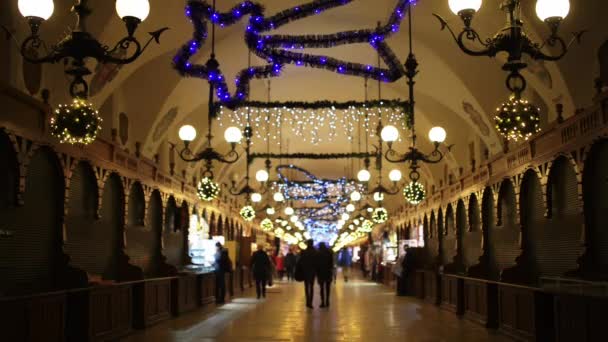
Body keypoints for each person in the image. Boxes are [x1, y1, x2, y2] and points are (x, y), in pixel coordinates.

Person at [297, 239, 317, 308]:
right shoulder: (315, 252)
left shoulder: (304, 252)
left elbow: (300, 262)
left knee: (306, 287)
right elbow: (316, 263)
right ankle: (310, 302)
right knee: (311, 287)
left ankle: (307, 301)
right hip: (312, 272)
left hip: (305, 271)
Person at [316, 242, 334, 308]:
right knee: (328, 288)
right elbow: (331, 263)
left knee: (321, 288)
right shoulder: (329, 252)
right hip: (328, 272)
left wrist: (317, 273)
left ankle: (322, 302)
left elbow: (316, 264)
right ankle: (327, 301)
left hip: (320, 273)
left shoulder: (318, 253)